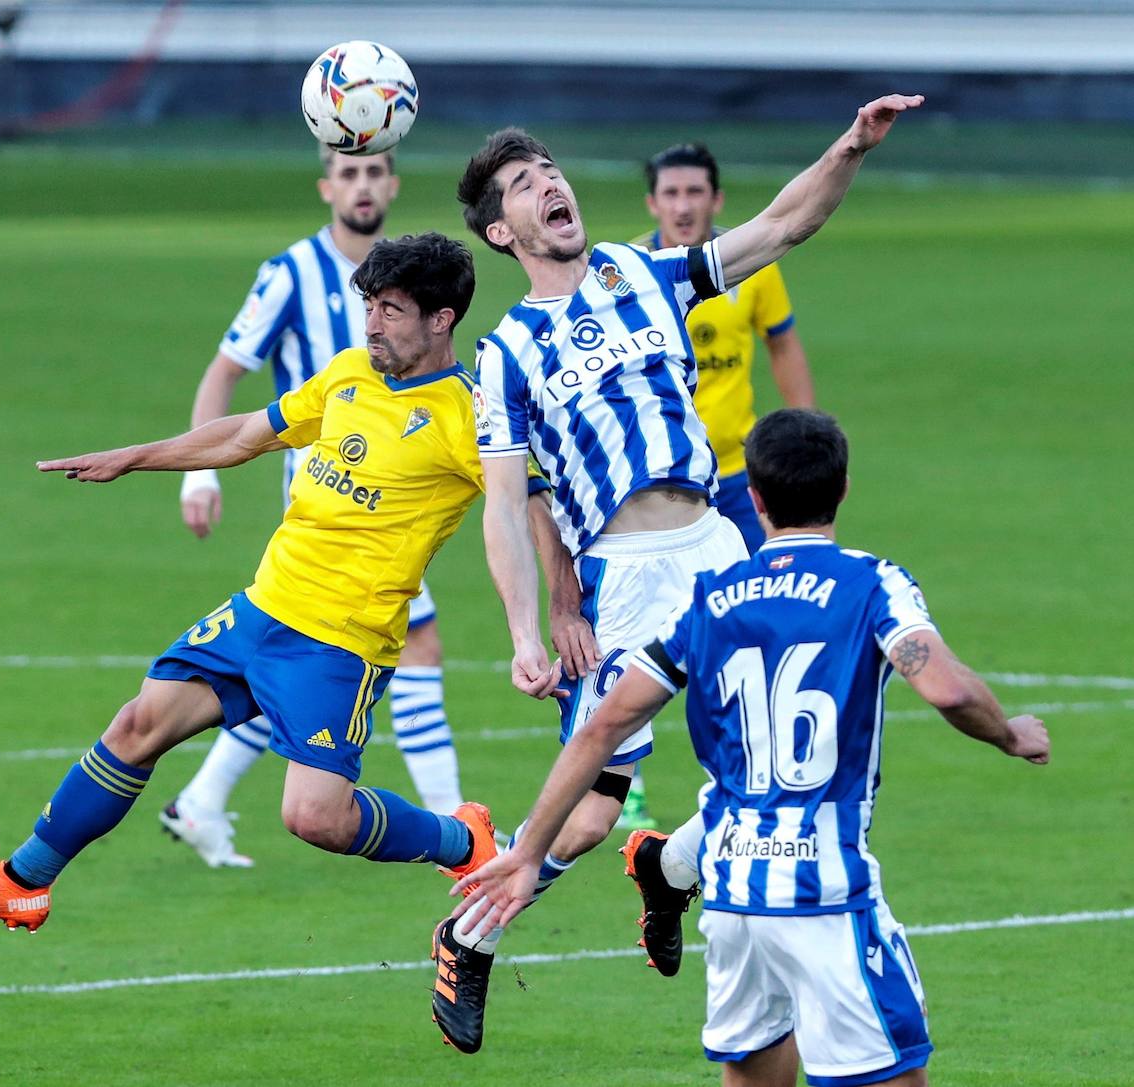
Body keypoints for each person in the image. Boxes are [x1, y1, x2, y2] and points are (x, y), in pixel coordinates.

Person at [431, 93, 925, 1055]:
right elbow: (508, 499)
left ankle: (671, 866)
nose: (551, 187)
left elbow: (783, 225)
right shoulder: (507, 355)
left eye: (552, 173)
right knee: (585, 815)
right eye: (526, 187)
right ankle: (469, 929)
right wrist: (535, 624)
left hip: (720, 551)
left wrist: (851, 146)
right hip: (624, 576)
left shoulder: (643, 272)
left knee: (774, 759)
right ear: (502, 231)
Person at [0, 233, 501, 935]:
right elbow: (246, 434)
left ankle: (465, 840)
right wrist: (136, 455)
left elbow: (533, 505)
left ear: (442, 319)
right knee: (137, 725)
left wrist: (562, 608)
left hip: (338, 642)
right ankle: (22, 883)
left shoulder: (473, 416)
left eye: (392, 310)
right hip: (261, 609)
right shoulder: (348, 374)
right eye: (369, 305)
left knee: (314, 817)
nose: (371, 324)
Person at [450, 408, 1050, 1087]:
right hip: (825, 894)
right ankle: (665, 865)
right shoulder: (871, 583)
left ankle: (668, 866)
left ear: (756, 499)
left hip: (733, 901)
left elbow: (601, 729)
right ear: (844, 488)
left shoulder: (708, 600)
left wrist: (527, 853)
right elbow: (947, 690)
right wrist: (1010, 733)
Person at [164, 148, 467, 869]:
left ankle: (202, 799)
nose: (363, 185)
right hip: (341, 509)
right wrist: (196, 477)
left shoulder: (413, 278)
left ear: (392, 184)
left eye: (375, 172)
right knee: (400, 650)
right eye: (349, 173)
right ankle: (462, 830)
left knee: (288, 673)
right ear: (328, 186)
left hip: (397, 487)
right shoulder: (289, 273)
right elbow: (226, 371)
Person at [617, 142, 817, 834]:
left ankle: (746, 773)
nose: (682, 205)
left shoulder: (751, 267)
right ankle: (628, 789)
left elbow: (783, 343)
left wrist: (806, 431)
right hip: (661, 489)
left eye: (694, 192)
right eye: (669, 193)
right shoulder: (632, 277)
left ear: (717, 199)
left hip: (740, 481)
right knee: (637, 636)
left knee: (760, 627)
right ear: (651, 203)